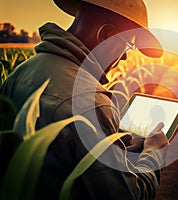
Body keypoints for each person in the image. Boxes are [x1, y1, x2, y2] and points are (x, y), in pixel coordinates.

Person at [0, 0, 169, 199]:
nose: (124, 57)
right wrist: (152, 151)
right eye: (127, 45)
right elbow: (128, 195)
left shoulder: (19, 73)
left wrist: (117, 144)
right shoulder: (90, 102)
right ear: (106, 35)